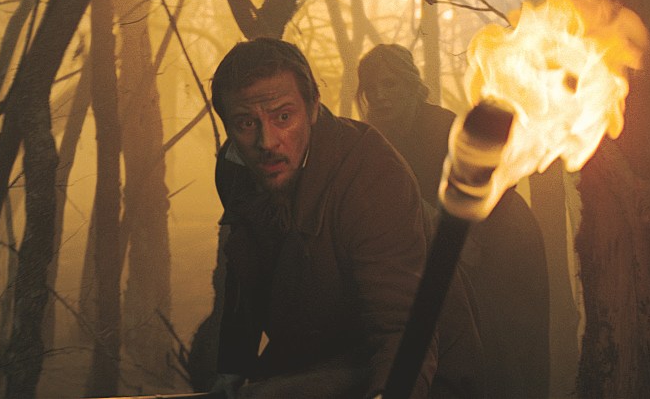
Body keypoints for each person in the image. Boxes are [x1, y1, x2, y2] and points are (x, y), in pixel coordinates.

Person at [208, 38, 436, 398]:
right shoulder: (233, 168)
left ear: (313, 107)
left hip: (406, 363)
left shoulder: (372, 173)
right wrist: (231, 370)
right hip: (314, 352)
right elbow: (244, 272)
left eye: (283, 117)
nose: (267, 142)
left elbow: (402, 328)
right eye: (246, 123)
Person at [357, 44, 550, 399]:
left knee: (501, 346)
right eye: (372, 87)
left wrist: (464, 237)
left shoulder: (444, 127)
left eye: (390, 84)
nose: (380, 95)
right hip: (443, 248)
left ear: (411, 84)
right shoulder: (375, 138)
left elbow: (496, 182)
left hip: (501, 242)